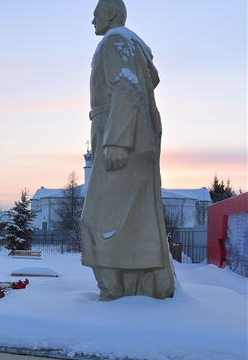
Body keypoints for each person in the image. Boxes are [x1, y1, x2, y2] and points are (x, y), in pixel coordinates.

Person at [81, 0, 175, 301]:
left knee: (96, 219)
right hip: (133, 131)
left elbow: (128, 86)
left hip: (120, 133)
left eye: (96, 13)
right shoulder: (135, 44)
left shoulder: (115, 39)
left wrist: (116, 140)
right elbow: (151, 79)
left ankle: (114, 291)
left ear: (110, 13)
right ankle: (139, 285)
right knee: (134, 217)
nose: (92, 19)